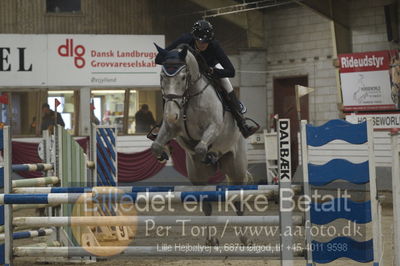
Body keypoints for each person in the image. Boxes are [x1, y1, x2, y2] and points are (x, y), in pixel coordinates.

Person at [153, 19, 259, 139]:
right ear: (194, 37)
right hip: (190, 72)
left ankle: (242, 123)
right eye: (200, 41)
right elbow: (158, 59)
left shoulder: (214, 46)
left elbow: (231, 71)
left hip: (211, 68)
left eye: (207, 41)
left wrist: (214, 71)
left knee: (226, 83)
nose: (204, 44)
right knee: (171, 87)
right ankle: (163, 124)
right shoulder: (185, 39)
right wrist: (173, 58)